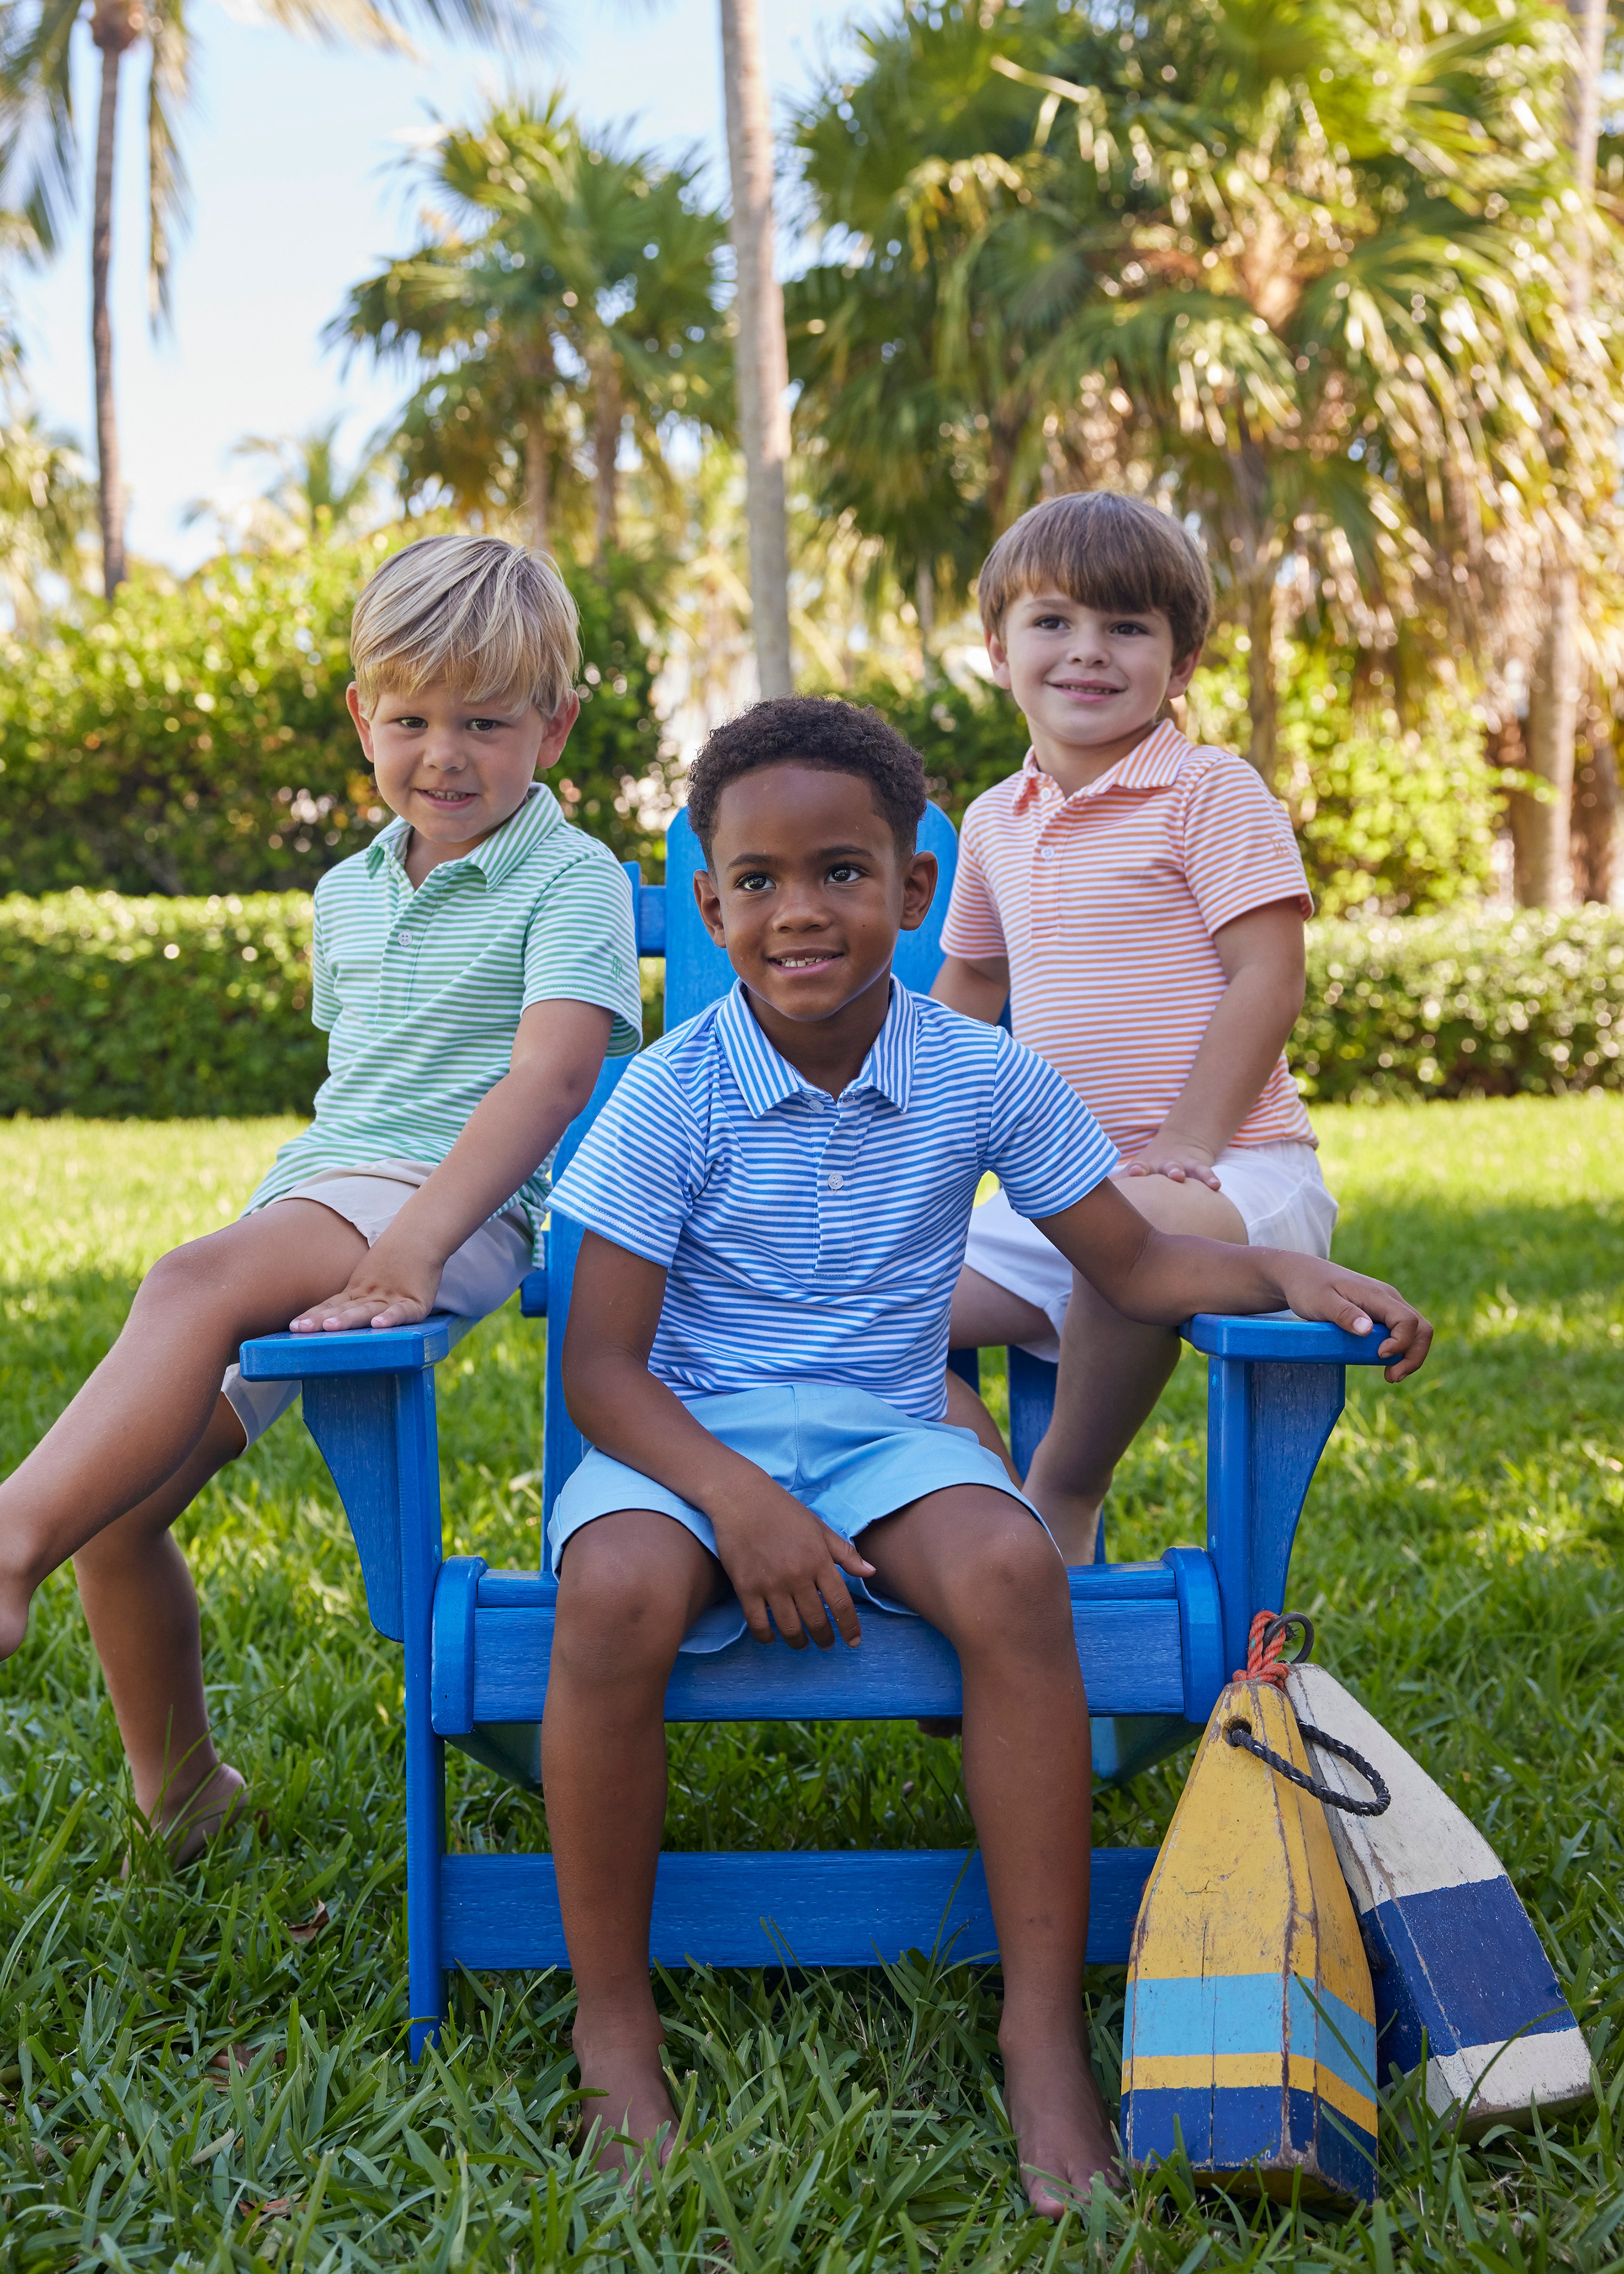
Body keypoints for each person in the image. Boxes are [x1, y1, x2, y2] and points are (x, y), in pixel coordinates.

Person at [539, 694, 1430, 2212]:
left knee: (1016, 1566)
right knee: (617, 1588)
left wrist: (1279, 1274)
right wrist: (741, 1502)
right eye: (757, 882)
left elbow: (1133, 1271)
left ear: (917, 889)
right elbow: (602, 1373)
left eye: (840, 871)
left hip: (894, 1427)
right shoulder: (665, 1095)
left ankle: (1040, 2030)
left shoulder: (986, 1077)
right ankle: (614, 2022)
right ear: (709, 904)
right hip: (689, 1436)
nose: (799, 912)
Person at [0, 533, 644, 1861]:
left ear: (556, 724)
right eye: (409, 719)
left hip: (456, 1208)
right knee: (122, 1508)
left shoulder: (570, 874)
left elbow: (552, 1078)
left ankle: (9, 1535)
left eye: (484, 720)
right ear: (363, 717)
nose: (443, 754)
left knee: (186, 1277)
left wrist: (411, 1247)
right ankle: (184, 1793)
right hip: (319, 1202)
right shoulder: (344, 891)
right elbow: (350, 1090)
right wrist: (337, 1235)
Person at [935, 490, 1335, 1563]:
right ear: (996, 648)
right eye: (1053, 622)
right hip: (1063, 1206)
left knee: (1131, 1227)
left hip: (1233, 1180)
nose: (1088, 653)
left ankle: (1060, 1494)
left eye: (1127, 627)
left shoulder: (1208, 790)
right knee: (865, 1295)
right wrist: (904, 1145)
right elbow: (972, 980)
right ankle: (972, 1517)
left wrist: (1193, 1140)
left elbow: (1267, 976)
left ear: (1183, 657)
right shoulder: (992, 819)